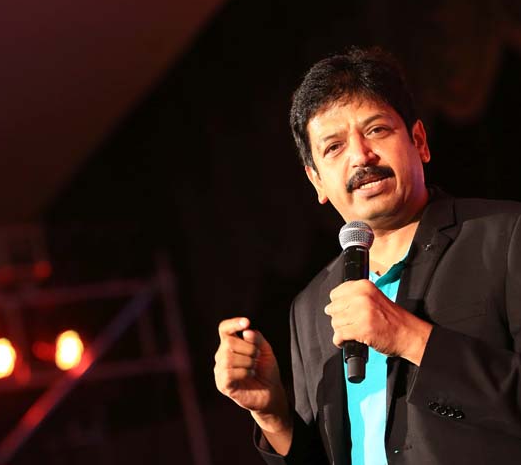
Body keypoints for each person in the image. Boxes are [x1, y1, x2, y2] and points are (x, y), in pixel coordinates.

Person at [213, 47, 521, 464]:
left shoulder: (505, 236)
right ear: (316, 181)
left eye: (376, 130)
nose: (360, 156)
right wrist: (273, 415)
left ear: (419, 141)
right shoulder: (310, 307)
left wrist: (410, 338)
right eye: (334, 147)